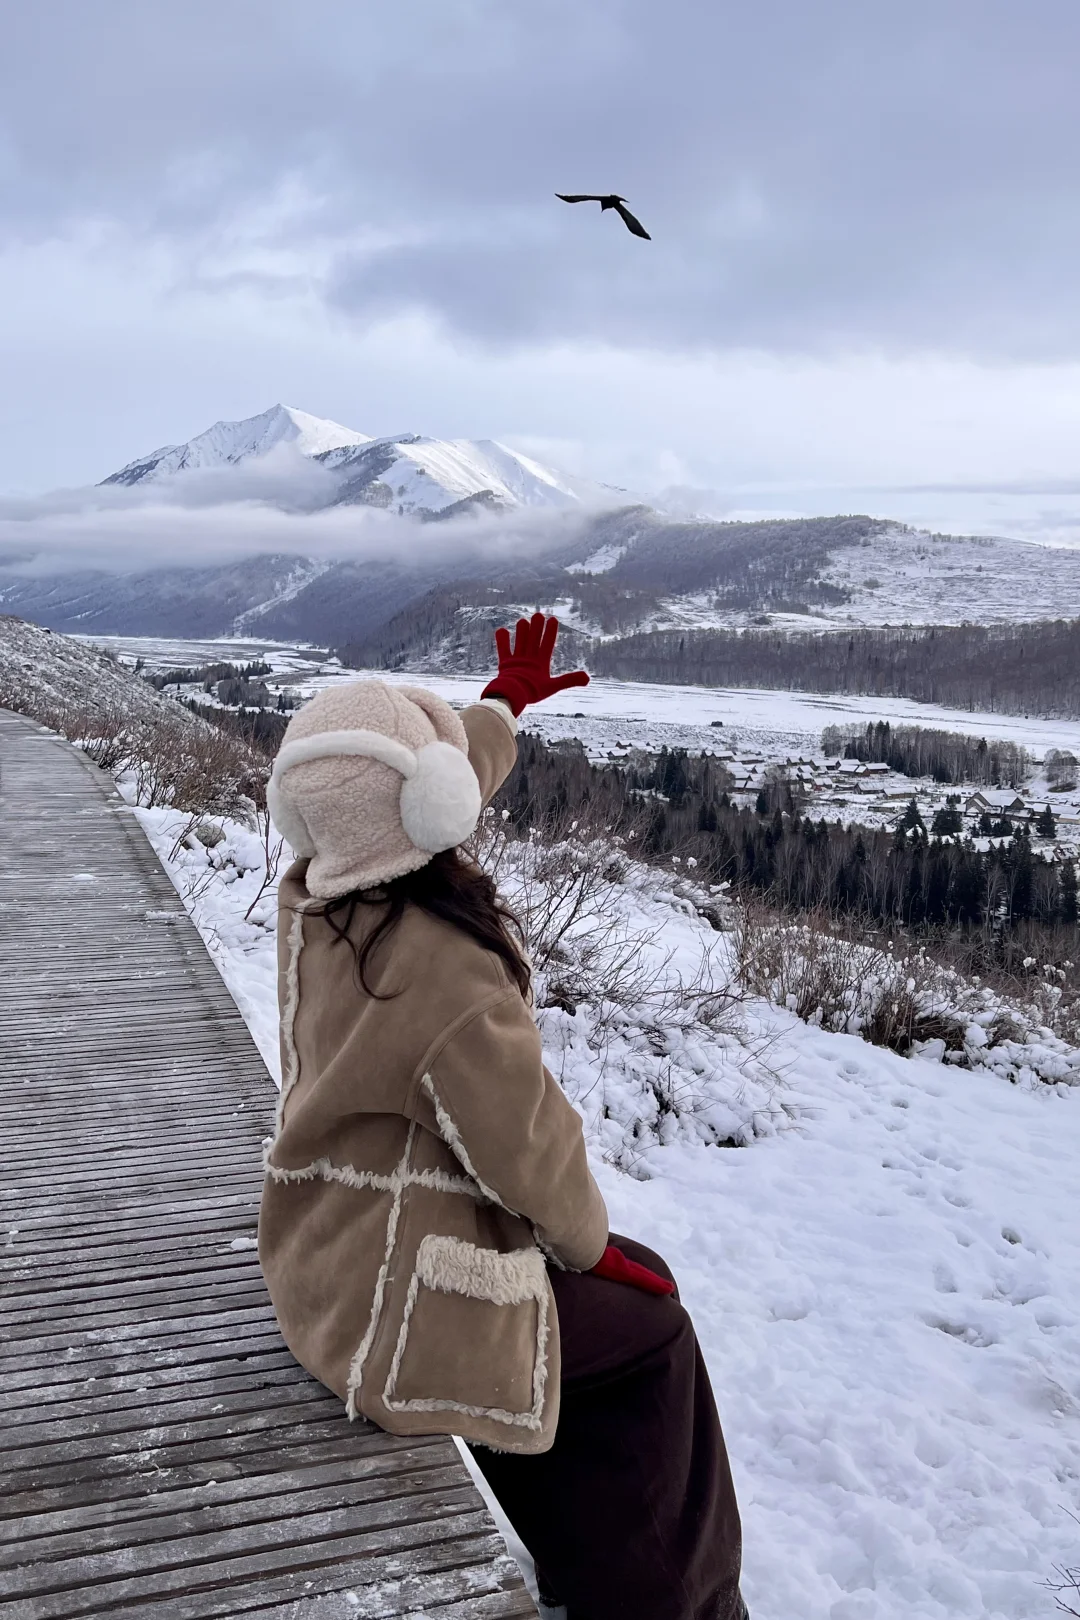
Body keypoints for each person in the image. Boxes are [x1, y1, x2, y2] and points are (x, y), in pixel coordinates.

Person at [259, 614, 747, 1620]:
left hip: (319, 1254)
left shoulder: (319, 893)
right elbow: (527, 1151)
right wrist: (600, 1251)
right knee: (654, 1337)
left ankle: (567, 1532)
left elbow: (416, 786)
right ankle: (674, 1604)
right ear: (426, 810)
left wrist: (503, 703)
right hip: (390, 1307)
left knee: (580, 1323)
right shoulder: (442, 970)